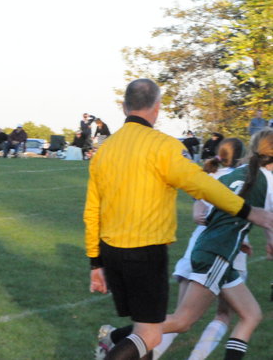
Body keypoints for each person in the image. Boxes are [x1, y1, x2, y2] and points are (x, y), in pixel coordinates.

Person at [84, 79, 273, 360]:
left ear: (124, 107)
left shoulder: (105, 149)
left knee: (146, 332)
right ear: (157, 108)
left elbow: (91, 209)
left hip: (111, 251)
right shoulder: (164, 146)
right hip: (145, 250)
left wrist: (95, 262)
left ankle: (111, 340)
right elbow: (202, 185)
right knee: (150, 334)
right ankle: (109, 346)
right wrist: (248, 211)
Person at [152, 138, 246, 359]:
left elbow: (199, 201)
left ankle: (130, 348)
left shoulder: (209, 175)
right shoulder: (243, 177)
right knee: (224, 315)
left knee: (179, 320)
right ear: (241, 157)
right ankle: (120, 338)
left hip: (196, 248)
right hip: (227, 251)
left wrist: (197, 207)